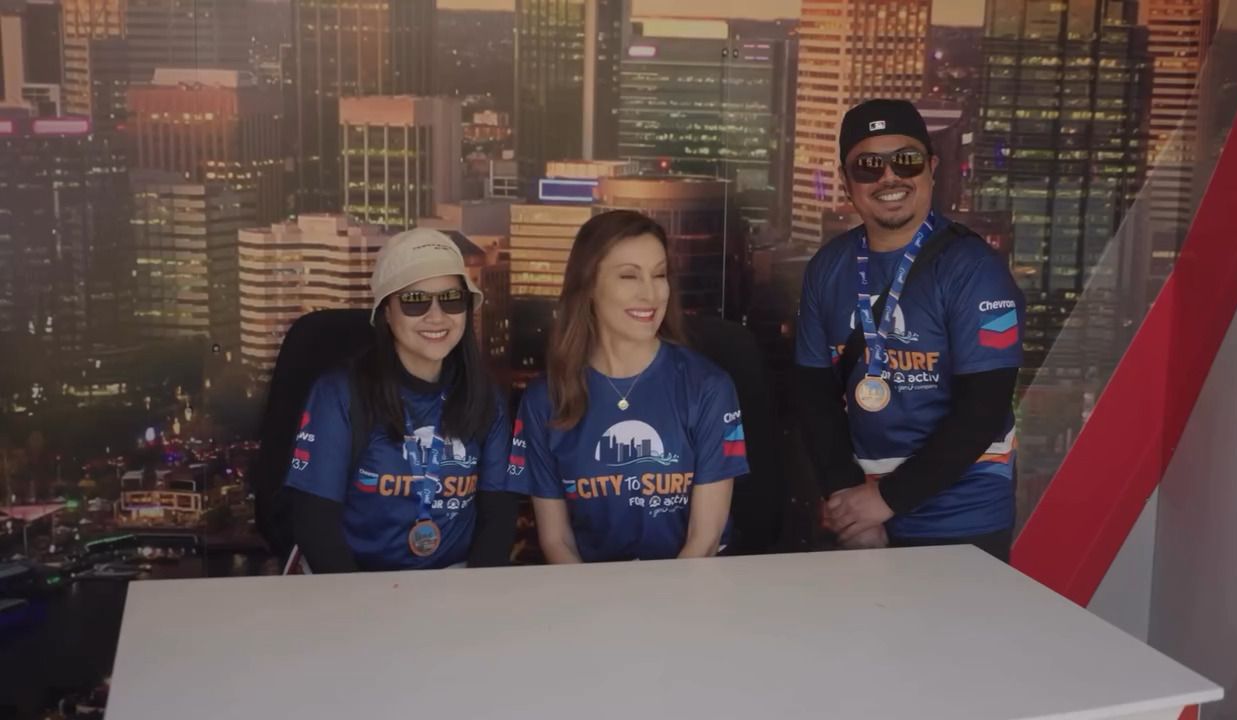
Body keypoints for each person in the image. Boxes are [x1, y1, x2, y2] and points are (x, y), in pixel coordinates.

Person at [794, 99, 1025, 561]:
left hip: (963, 519)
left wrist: (885, 501)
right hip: (861, 512)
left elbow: (983, 409)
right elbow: (814, 397)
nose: (889, 177)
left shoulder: (975, 269)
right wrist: (851, 505)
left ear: (931, 168)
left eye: (906, 160)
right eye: (868, 166)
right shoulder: (827, 268)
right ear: (846, 181)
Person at [507, 210, 749, 563]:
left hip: (691, 586)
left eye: (659, 275)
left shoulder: (708, 387)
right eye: (629, 276)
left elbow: (705, 539)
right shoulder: (544, 399)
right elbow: (557, 541)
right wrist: (594, 599)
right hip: (590, 590)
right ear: (589, 287)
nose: (650, 293)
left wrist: (665, 599)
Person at [285, 229, 519, 572]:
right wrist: (358, 600)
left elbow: (498, 515)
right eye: (414, 301)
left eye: (451, 299)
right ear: (386, 312)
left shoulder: (485, 396)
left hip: (454, 579)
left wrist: (474, 595)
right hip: (354, 580)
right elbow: (315, 522)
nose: (436, 316)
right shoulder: (339, 393)